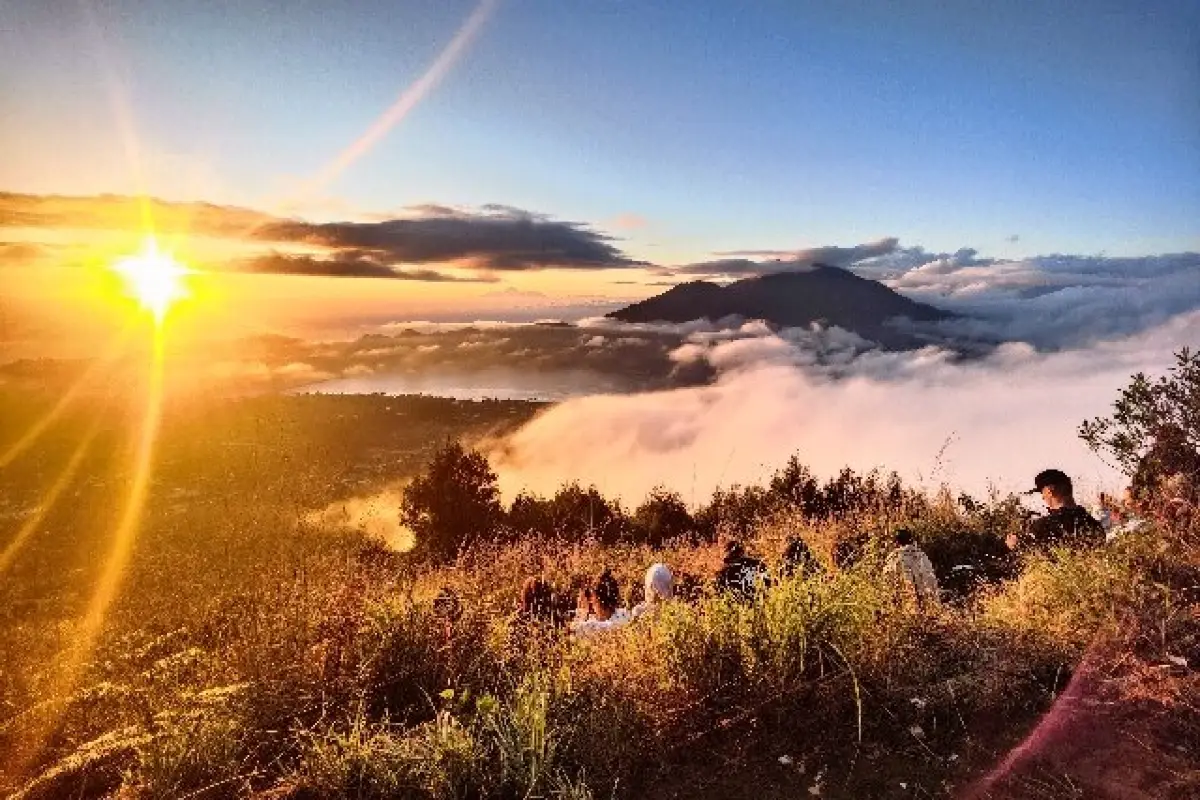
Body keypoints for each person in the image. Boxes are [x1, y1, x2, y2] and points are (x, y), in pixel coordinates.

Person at [1006, 469, 1105, 551]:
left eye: (1042, 492)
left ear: (1049, 491)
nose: (1042, 497)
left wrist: (1018, 545)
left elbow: (1037, 558)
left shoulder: (1042, 526)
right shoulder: (1094, 524)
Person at [882, 529, 940, 611]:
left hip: (905, 605)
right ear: (911, 540)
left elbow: (888, 582)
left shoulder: (894, 558)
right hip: (926, 602)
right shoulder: (922, 556)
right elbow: (931, 580)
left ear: (897, 542)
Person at [569, 569, 631, 638]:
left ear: (597, 600)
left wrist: (583, 616)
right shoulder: (625, 615)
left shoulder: (590, 627)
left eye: (592, 599)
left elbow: (572, 631)